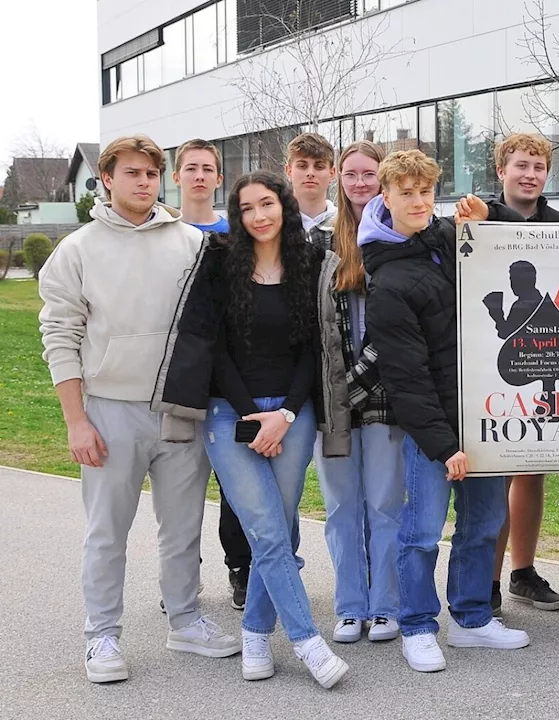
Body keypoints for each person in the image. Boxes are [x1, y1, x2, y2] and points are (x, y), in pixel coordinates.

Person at [38, 134, 239, 684]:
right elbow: (59, 335)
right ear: (107, 179)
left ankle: (185, 619)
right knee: (108, 531)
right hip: (109, 410)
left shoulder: (192, 244)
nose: (144, 182)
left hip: (179, 409)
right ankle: (102, 635)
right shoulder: (77, 250)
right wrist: (76, 420)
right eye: (131, 174)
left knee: (183, 528)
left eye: (151, 174)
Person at [154, 169, 353, 688]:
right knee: (266, 531)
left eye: (267, 204)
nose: (259, 215)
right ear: (238, 216)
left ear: (283, 205)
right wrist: (249, 413)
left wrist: (285, 413)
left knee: (278, 529)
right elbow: (209, 349)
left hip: (293, 412)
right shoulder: (220, 262)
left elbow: (317, 347)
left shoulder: (311, 262)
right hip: (229, 412)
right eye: (247, 208)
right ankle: (309, 641)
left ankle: (256, 634)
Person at [361, 150, 531, 674]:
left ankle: (472, 617)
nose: (417, 201)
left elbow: (515, 249)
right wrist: (443, 445)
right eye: (406, 192)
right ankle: (417, 625)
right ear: (384, 197)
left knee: (484, 522)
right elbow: (406, 377)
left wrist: (480, 225)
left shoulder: (451, 240)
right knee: (422, 530)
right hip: (435, 428)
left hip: (488, 414)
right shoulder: (387, 278)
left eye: (425, 191)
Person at [307, 140, 407, 645]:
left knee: (385, 506)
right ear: (338, 179)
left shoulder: (399, 239)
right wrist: (339, 391)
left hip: (386, 398)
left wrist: (358, 383)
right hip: (335, 402)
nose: (361, 182)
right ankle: (350, 607)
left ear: (384, 179)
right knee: (342, 507)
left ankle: (386, 605)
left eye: (370, 174)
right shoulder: (320, 245)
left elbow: (397, 331)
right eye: (351, 173)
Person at [489, 132, 559, 617]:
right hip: (494, 363)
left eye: (539, 167)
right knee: (496, 468)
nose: (530, 175)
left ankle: (523, 571)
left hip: (548, 359)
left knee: (533, 464)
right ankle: (489, 578)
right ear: (501, 170)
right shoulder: (475, 221)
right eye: (521, 165)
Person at [173, 138, 249, 611]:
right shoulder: (159, 231)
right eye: (191, 168)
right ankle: (181, 576)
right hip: (175, 374)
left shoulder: (233, 233)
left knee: (233, 485)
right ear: (177, 176)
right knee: (181, 484)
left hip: (225, 377)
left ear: (218, 179)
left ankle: (239, 569)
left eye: (208, 169)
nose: (200, 176)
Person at [285, 132, 337, 234]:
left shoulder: (347, 224)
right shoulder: (273, 224)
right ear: (289, 171)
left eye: (319, 167)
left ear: (332, 173)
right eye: (302, 166)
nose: (310, 173)